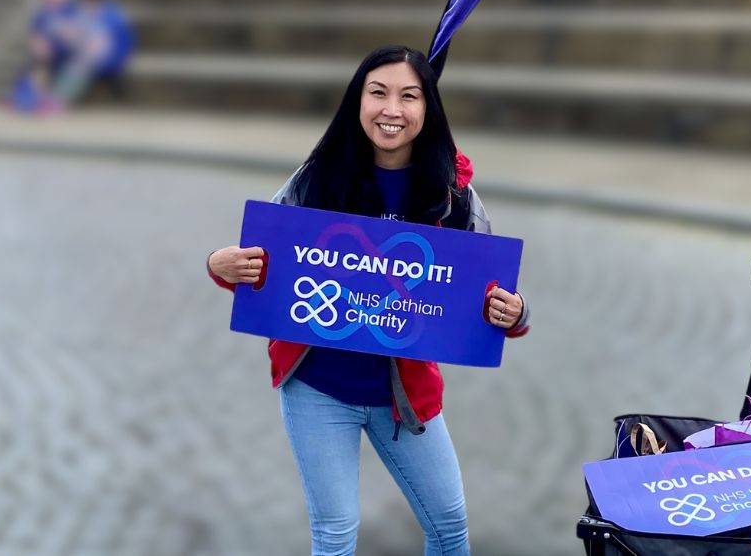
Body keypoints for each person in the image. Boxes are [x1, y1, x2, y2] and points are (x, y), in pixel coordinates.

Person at [206, 45, 530, 556]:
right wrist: (220, 265)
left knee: (450, 527)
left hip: (404, 395)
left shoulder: (453, 192)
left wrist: (514, 313)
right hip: (317, 388)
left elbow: (489, 289)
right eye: (378, 93)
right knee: (334, 534)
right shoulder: (316, 177)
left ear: (428, 108)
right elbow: (258, 257)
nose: (392, 110)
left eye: (409, 96)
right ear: (357, 101)